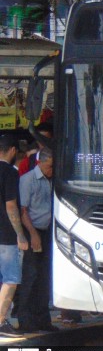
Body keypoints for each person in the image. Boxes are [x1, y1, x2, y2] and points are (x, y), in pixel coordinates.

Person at [16, 147, 58, 333]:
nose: (51, 171)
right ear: (40, 163)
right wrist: (32, 235)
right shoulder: (28, 180)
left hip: (48, 231)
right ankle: (25, 319)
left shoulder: (51, 181)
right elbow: (23, 210)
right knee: (30, 276)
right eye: (49, 167)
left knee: (44, 276)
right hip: (33, 230)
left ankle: (42, 319)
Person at [0, 135, 28, 337]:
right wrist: (21, 235)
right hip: (6, 236)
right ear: (11, 151)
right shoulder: (10, 173)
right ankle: (0, 322)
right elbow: (11, 206)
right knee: (11, 279)